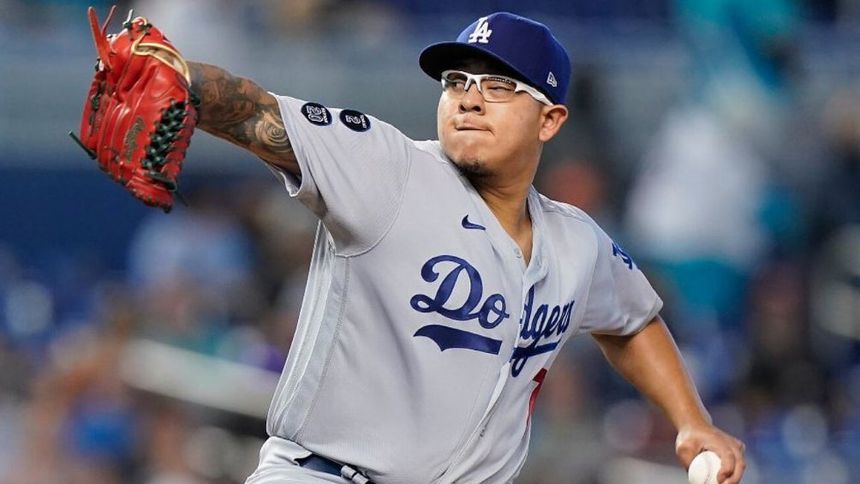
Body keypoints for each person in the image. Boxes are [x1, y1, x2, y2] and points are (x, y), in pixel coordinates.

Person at [185, 12, 746, 484]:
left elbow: (633, 322)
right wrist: (181, 79)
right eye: (456, 82)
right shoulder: (389, 169)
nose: (470, 100)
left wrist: (691, 421)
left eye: (499, 86)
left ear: (550, 120)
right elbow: (256, 111)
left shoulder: (577, 243)